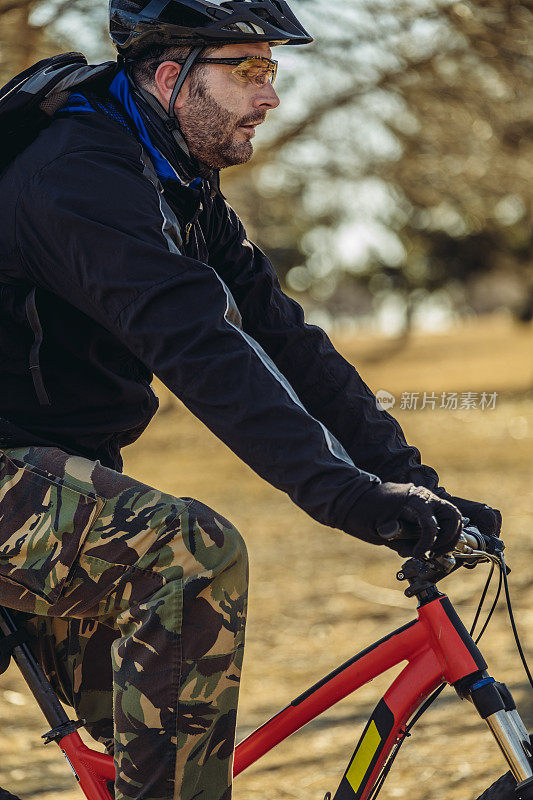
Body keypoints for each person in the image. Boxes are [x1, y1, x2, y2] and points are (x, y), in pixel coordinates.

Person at [0, 1, 501, 799]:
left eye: (272, 71)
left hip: (51, 467)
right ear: (170, 77)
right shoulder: (80, 175)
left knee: (158, 741)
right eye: (248, 70)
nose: (271, 95)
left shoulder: (179, 184)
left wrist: (411, 481)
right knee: (186, 553)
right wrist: (344, 495)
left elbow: (284, 340)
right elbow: (198, 345)